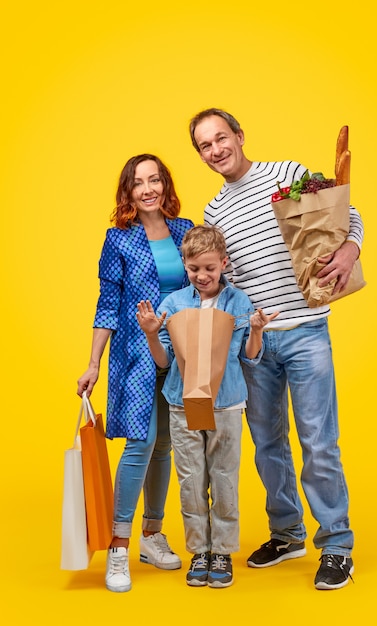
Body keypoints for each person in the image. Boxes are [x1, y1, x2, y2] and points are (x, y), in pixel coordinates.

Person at [188, 108, 364, 590]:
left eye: (221, 138)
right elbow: (224, 278)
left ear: (240, 136)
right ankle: (287, 534)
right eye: (205, 146)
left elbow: (345, 214)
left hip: (306, 331)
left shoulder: (285, 174)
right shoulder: (214, 212)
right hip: (255, 341)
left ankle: (337, 545)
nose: (216, 150)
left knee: (317, 442)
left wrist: (350, 249)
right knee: (268, 444)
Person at [136, 224, 278, 588]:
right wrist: (153, 333)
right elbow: (164, 361)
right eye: (194, 268)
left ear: (224, 264)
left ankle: (222, 552)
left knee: (225, 478)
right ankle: (199, 549)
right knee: (191, 480)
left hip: (227, 403)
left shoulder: (239, 303)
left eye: (210, 268)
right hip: (183, 404)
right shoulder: (173, 305)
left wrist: (258, 330)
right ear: (185, 265)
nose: (202, 275)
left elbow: (250, 356)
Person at [77, 154, 194, 593]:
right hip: (137, 354)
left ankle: (151, 534)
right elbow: (107, 304)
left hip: (181, 354)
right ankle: (119, 546)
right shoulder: (119, 239)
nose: (148, 189)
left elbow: (206, 283)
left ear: (165, 184)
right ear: (127, 192)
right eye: (139, 183)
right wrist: (93, 364)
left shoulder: (186, 231)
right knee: (141, 443)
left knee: (164, 445)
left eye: (155, 179)